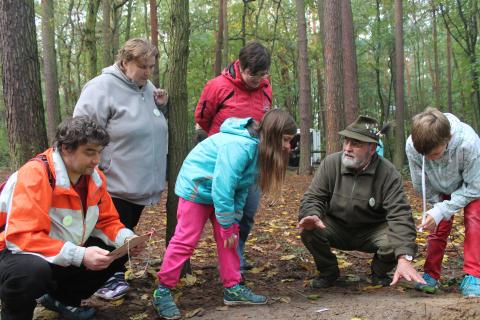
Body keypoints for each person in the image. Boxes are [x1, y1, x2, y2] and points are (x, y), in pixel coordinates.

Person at [152, 110, 297, 319]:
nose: (287, 147)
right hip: (198, 188)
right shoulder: (240, 146)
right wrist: (227, 225)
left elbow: (242, 185)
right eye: (285, 140)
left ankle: (233, 287)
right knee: (186, 239)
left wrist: (233, 219)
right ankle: (163, 291)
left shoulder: (258, 149)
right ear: (273, 134)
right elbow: (223, 187)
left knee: (230, 238)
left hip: (220, 192)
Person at [0, 117, 145, 320]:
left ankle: (62, 300)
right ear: (66, 148)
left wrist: (127, 240)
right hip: (9, 251)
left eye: (99, 152)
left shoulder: (95, 177)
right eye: (89, 152)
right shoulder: (36, 174)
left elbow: (107, 221)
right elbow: (21, 237)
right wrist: (80, 255)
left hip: (57, 248)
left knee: (114, 250)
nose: (96, 160)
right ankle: (14, 314)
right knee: (31, 272)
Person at [73, 38, 168, 300]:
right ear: (125, 62)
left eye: (151, 66)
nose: (148, 72)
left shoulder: (146, 86)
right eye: (142, 66)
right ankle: (82, 288)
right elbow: (83, 132)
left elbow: (146, 124)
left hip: (139, 183)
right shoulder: (101, 87)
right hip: (113, 183)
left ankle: (106, 277)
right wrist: (98, 168)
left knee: (124, 238)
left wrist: (161, 106)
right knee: (106, 237)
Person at [298, 115, 425, 288]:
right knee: (310, 230)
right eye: (346, 142)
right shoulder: (331, 164)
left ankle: (379, 273)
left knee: (393, 240)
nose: (347, 148)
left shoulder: (388, 173)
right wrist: (311, 214)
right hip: (336, 227)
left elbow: (400, 215)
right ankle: (329, 272)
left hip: (372, 231)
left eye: (355, 144)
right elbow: (314, 196)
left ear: (371, 149)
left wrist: (404, 257)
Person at [194, 41, 272, 272]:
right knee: (230, 214)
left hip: (253, 162)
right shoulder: (217, 86)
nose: (257, 79)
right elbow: (203, 119)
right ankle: (231, 265)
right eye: (252, 74)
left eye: (262, 74)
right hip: (225, 162)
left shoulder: (266, 88)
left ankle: (238, 250)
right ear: (241, 66)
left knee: (247, 214)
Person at [406, 107, 480, 297]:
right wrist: (438, 209)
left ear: (447, 139)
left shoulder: (469, 143)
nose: (429, 159)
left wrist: (444, 208)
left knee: (474, 220)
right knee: (437, 226)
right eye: (425, 156)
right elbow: (419, 181)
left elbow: (475, 187)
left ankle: (474, 275)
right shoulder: (413, 145)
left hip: (470, 186)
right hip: (439, 187)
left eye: (435, 154)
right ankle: (430, 274)